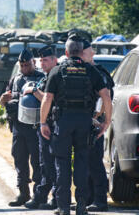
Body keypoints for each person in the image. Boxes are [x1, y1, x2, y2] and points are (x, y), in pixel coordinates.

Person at [40, 35, 112, 215]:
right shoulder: (91, 70)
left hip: (63, 122)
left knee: (62, 163)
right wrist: (106, 122)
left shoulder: (57, 71)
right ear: (81, 52)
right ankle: (81, 205)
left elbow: (47, 99)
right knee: (81, 162)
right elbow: (106, 96)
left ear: (66, 53)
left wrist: (43, 123)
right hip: (84, 122)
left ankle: (63, 206)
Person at [0, 49, 44, 207]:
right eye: (22, 65)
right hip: (18, 126)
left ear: (34, 62)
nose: (25, 68)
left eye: (27, 64)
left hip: (35, 126)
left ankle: (39, 194)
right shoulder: (15, 79)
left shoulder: (41, 78)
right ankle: (23, 193)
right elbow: (3, 100)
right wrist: (3, 100)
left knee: (37, 161)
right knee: (19, 159)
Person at [23, 46, 58, 210]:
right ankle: (41, 196)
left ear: (54, 60)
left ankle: (55, 198)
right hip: (44, 125)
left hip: (55, 125)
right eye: (40, 60)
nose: (42, 63)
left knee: (55, 163)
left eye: (45, 60)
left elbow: (49, 99)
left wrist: (34, 91)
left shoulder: (58, 76)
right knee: (45, 164)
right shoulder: (47, 77)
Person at [81, 40, 112, 212]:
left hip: (94, 124)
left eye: (83, 52)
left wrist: (96, 117)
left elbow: (104, 98)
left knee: (94, 162)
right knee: (83, 163)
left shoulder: (99, 73)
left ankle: (100, 200)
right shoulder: (82, 70)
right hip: (82, 122)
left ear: (91, 54)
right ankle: (87, 199)